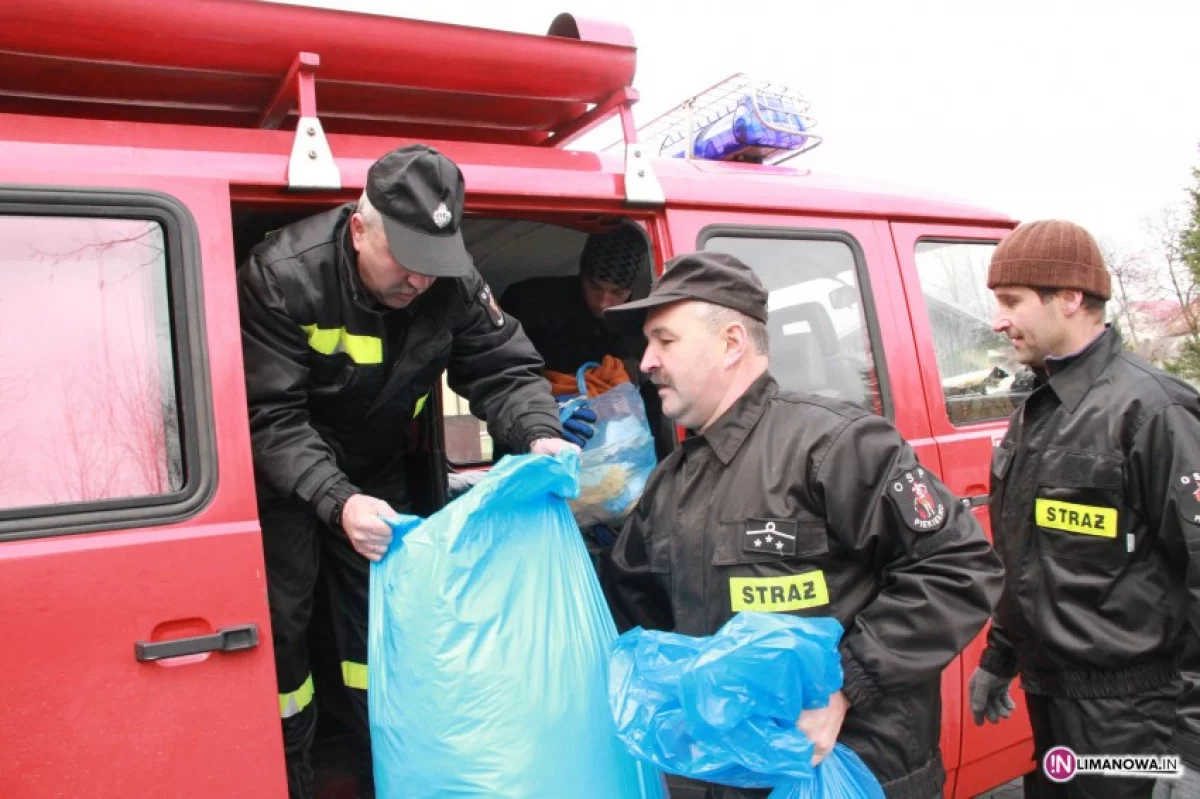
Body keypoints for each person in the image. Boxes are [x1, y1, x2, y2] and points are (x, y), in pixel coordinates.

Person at [602, 251, 1005, 799]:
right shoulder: (670, 483)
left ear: (731, 342)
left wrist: (844, 685)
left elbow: (960, 568)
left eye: (665, 341)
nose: (645, 362)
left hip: (852, 773)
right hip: (732, 777)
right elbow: (632, 605)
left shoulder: (838, 445)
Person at [237, 143, 573, 798]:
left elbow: (504, 368)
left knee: (383, 638)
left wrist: (539, 435)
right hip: (287, 478)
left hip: (379, 471)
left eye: (434, 262)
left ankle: (388, 773)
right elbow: (269, 418)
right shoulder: (283, 275)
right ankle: (294, 778)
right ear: (360, 228)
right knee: (284, 638)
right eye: (408, 259)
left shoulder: (451, 281)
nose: (420, 280)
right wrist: (336, 500)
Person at [968, 219, 1200, 799]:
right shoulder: (1039, 408)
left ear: (1070, 298)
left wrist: (1192, 751)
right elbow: (1025, 553)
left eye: (1011, 301)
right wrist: (1001, 655)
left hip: (1134, 724)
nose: (998, 319)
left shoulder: (1155, 412)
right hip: (1055, 710)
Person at [501, 222, 650, 448]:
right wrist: (545, 410)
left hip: (615, 451)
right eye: (595, 287)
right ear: (582, 275)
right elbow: (497, 377)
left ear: (631, 290)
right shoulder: (529, 303)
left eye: (617, 292)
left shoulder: (641, 325)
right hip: (530, 441)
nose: (603, 302)